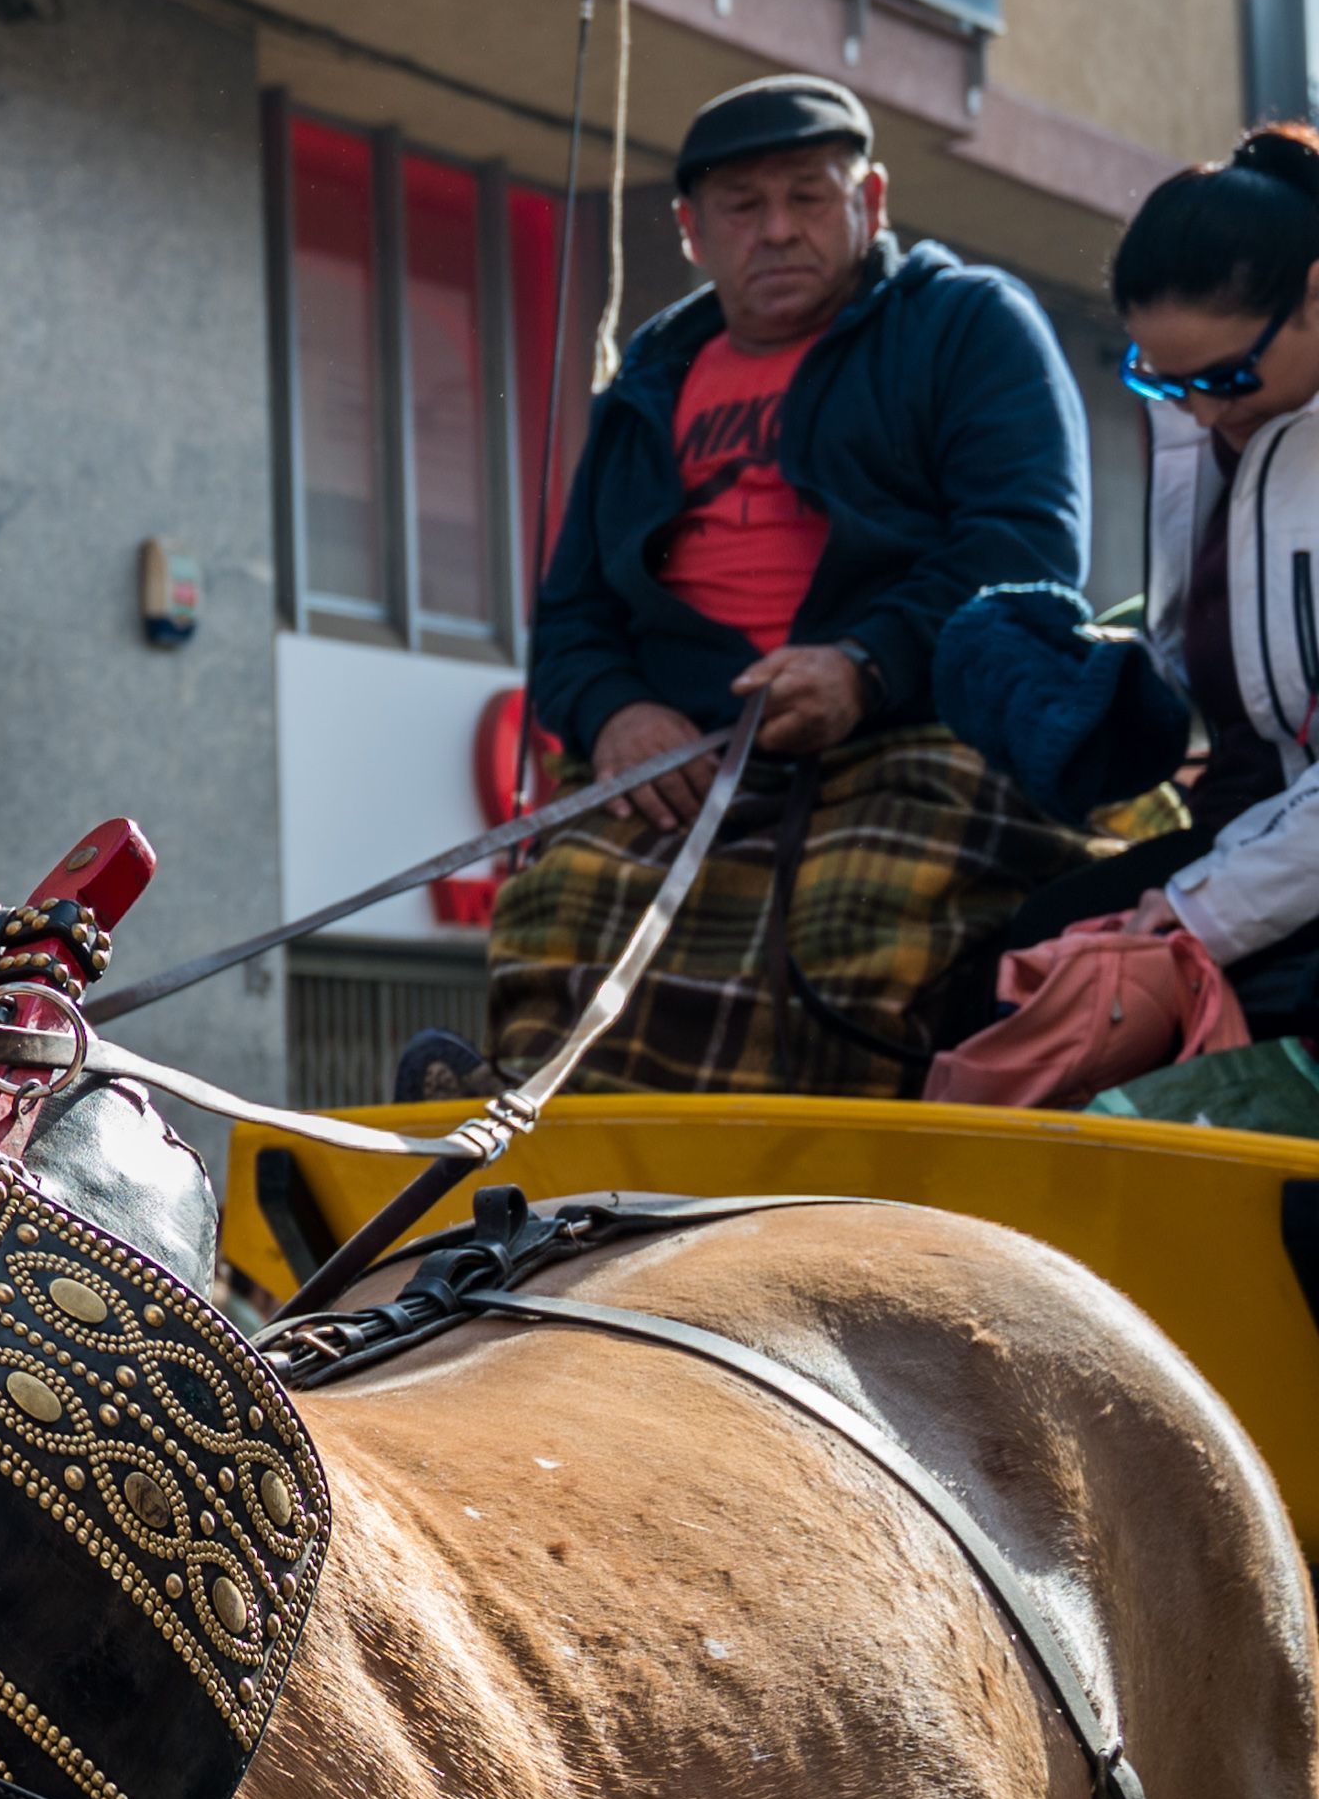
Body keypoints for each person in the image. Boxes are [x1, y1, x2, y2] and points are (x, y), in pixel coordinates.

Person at [454, 75, 1096, 1097]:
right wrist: (615, 714)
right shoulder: (643, 384)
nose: (778, 230)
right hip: (684, 758)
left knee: (854, 925)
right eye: (742, 208)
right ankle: (555, 1188)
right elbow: (572, 617)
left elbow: (1027, 546)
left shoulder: (967, 323)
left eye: (809, 195)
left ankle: (836, 1213)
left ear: (871, 202)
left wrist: (864, 665)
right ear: (690, 232)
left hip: (912, 734)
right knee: (557, 909)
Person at [949, 129, 1319, 1031]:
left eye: (1229, 377)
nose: (1200, 410)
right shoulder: (1203, 433)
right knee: (1001, 983)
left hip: (1274, 874)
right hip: (1241, 839)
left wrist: (1204, 908)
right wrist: (1104, 686)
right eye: (1161, 382)